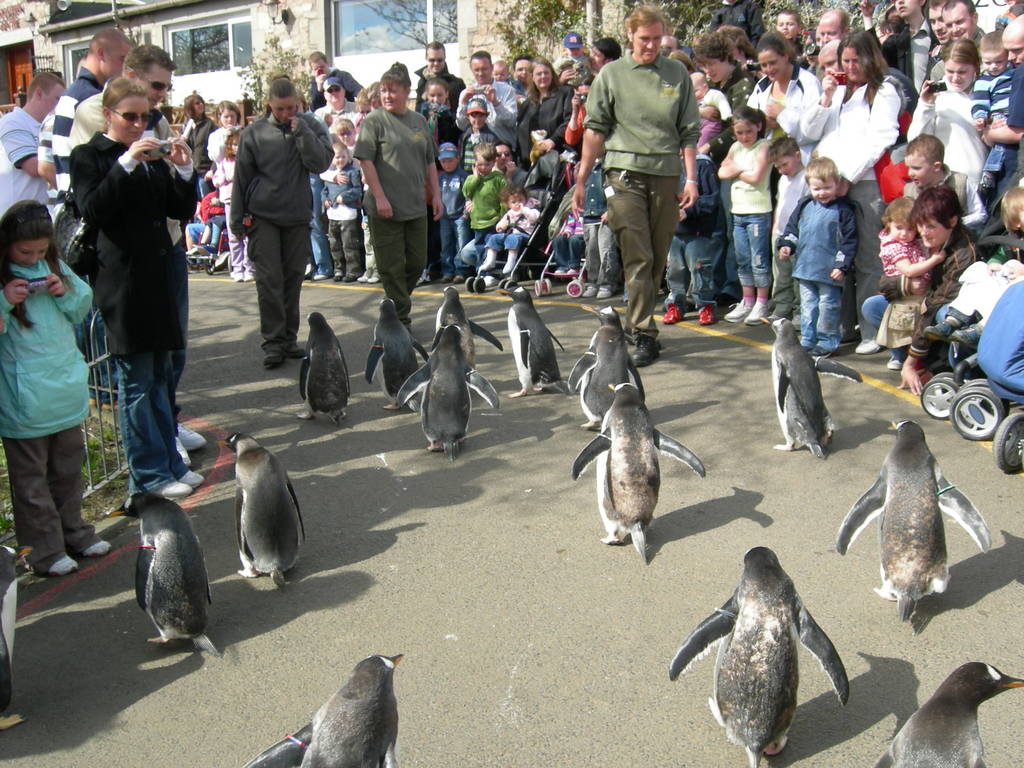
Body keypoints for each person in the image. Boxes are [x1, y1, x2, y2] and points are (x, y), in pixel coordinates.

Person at [69, 78, 199, 498]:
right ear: (108, 114)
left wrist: (182, 170)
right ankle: (148, 475)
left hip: (157, 276)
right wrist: (125, 163)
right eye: (130, 116)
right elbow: (94, 208)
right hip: (121, 282)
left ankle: (170, 463)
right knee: (138, 382)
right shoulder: (90, 156)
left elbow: (178, 210)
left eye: (145, 117)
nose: (139, 124)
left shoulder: (149, 158)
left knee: (162, 375)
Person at [575, 5, 699, 367]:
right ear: (630, 36)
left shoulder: (676, 73)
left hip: (664, 173)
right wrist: (582, 179)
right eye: (644, 39)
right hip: (622, 173)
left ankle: (640, 318)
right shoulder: (611, 75)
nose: (651, 46)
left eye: (657, 39)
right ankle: (644, 331)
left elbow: (689, 131)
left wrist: (690, 178)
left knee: (658, 254)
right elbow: (595, 130)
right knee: (638, 253)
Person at [0, 200, 109, 576]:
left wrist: (62, 290)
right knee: (31, 484)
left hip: (64, 389)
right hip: (23, 400)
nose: (33, 259)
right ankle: (44, 552)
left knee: (67, 470)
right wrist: (4, 301)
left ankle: (76, 532)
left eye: (41, 251)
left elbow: (83, 306)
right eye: (23, 252)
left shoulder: (55, 267)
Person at [800, 31, 901, 353]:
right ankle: (840, 327)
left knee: (869, 257)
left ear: (871, 57)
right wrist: (825, 98)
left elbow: (882, 136)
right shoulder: (838, 91)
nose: (851, 66)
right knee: (833, 257)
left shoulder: (883, 90)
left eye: (857, 60)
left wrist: (848, 175)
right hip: (832, 183)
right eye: (846, 61)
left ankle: (872, 329)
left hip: (865, 181)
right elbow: (809, 131)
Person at [231, 76, 333, 368]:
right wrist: (237, 221)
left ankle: (289, 340)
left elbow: (321, 163)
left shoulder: (310, 125)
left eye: (291, 108)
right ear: (269, 106)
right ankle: (273, 343)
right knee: (269, 281)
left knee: (292, 280)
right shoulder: (254, 133)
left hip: (297, 215)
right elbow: (242, 177)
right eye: (280, 109)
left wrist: (302, 133)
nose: (287, 114)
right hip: (263, 217)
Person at [355, 63, 442, 326]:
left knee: (417, 263)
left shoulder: (418, 122)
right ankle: (400, 320)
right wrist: (379, 197)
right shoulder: (374, 122)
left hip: (415, 206)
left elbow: (430, 162)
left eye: (393, 90)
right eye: (383, 91)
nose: (387, 96)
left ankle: (393, 306)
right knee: (391, 268)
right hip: (385, 208)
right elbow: (366, 161)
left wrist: (436, 196)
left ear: (407, 92)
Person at [871, 186, 977, 393]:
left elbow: (937, 304)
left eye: (930, 226)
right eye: (919, 225)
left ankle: (937, 367)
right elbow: (884, 283)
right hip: (921, 301)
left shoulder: (963, 254)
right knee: (873, 306)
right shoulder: (918, 240)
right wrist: (907, 284)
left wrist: (912, 363)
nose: (922, 231)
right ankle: (909, 359)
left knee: (941, 314)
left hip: (944, 310)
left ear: (952, 222)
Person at [776, 157, 858, 355]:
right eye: (816, 188)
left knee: (828, 307)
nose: (821, 193)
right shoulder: (804, 205)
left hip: (829, 271)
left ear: (836, 185)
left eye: (827, 188)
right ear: (809, 186)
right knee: (808, 307)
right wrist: (787, 245)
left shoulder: (844, 211)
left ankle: (827, 341)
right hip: (805, 268)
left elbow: (849, 241)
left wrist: (842, 266)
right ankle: (808, 339)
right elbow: (792, 229)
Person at [52, 28, 130, 204]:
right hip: (82, 200)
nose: (124, 68)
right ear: (101, 53)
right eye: (122, 59)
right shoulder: (90, 99)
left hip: (70, 194)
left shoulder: (74, 92)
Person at [720, 106, 773, 325]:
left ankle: (762, 300)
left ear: (759, 127)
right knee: (742, 259)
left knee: (758, 259)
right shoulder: (735, 147)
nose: (744, 137)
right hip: (738, 210)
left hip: (758, 211)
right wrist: (743, 169)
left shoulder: (764, 146)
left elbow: (757, 176)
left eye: (748, 131)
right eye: (739, 133)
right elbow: (722, 172)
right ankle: (747, 299)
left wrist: (736, 169)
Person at [909, 40, 986, 181]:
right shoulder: (938, 95)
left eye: (962, 72)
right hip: (947, 180)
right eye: (950, 71)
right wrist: (926, 105)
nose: (955, 78)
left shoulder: (986, 91)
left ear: (975, 67)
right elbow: (916, 141)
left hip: (980, 179)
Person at [873, 196, 934, 368]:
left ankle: (911, 357)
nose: (904, 234)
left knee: (911, 326)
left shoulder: (911, 243)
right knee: (899, 328)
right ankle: (899, 356)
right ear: (888, 223)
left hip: (916, 294)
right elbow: (909, 270)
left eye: (910, 229)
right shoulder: (893, 246)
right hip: (902, 295)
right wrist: (935, 259)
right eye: (899, 228)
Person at [663, 148, 721, 326]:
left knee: (701, 270)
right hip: (674, 231)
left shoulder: (703, 166)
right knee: (675, 271)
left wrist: (688, 211)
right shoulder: (668, 166)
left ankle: (705, 305)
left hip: (697, 231)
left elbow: (711, 200)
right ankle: (675, 305)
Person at [746, 33, 823, 160]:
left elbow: (814, 131)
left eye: (773, 63)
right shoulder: (761, 86)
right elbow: (748, 123)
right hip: (769, 162)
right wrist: (764, 124)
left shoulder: (808, 82)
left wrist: (782, 115)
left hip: (800, 161)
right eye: (764, 65)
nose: (769, 69)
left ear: (785, 56)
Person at [0, 72, 65, 217]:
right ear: (39, 93)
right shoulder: (13, 122)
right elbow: (33, 167)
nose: (60, 105)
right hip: (12, 217)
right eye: (57, 99)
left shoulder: (46, 127)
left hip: (34, 214)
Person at [902, 133, 986, 230]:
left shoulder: (960, 182)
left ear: (936, 166)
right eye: (908, 167)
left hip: (958, 241)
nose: (910, 173)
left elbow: (980, 214)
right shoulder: (909, 191)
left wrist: (951, 224)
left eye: (916, 168)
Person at [971, 32, 1015, 195]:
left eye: (999, 61)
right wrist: (980, 117)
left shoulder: (1014, 73)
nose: (994, 66)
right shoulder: (983, 81)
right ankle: (990, 171)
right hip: (998, 115)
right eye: (988, 62)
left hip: (1014, 112)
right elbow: (980, 102)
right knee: (1000, 147)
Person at [769, 136, 808, 321]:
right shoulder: (783, 180)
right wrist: (776, 228)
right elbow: (781, 203)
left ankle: (799, 311)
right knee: (782, 274)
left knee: (798, 276)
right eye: (778, 167)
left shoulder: (806, 179)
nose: (782, 170)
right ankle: (781, 307)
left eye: (785, 164)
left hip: (799, 234)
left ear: (797, 156)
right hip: (781, 232)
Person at [458, 143, 506, 285]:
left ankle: (491, 273)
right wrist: (475, 178)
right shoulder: (472, 179)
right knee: (479, 249)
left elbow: (504, 200)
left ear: (493, 162)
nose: (483, 168)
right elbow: (466, 192)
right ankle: (481, 273)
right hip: (478, 222)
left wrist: (503, 218)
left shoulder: (498, 179)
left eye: (487, 164)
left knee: (490, 249)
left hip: (493, 221)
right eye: (480, 164)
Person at [516, 57, 573, 167]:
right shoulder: (527, 104)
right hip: (530, 165)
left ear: (552, 74)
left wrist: (553, 140)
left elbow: (569, 121)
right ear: (532, 77)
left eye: (546, 73)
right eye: (539, 74)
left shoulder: (564, 94)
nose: (543, 77)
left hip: (557, 159)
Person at [211, 131, 252, 282]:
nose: (236, 148)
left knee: (248, 236)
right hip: (230, 201)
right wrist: (226, 178)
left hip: (247, 203)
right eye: (234, 144)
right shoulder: (225, 162)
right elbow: (216, 180)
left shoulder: (247, 161)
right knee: (234, 236)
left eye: (239, 145)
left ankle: (249, 268)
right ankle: (237, 268)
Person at [321, 137, 363, 282]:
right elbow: (325, 190)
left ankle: (353, 270)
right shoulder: (331, 174)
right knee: (335, 244)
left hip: (347, 214)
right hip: (333, 214)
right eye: (337, 157)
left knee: (349, 244)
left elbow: (358, 190)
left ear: (348, 156)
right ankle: (339, 269)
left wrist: (344, 197)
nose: (340, 160)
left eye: (343, 157)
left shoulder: (352, 172)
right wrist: (325, 200)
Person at [455, 51, 518, 147]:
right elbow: (461, 125)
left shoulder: (507, 90)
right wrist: (464, 104)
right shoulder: (466, 93)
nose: (480, 73)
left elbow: (511, 122)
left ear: (492, 68)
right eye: (476, 70)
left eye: (484, 69)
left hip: (502, 150)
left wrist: (495, 103)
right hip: (477, 152)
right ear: (471, 70)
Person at [878, 0, 937, 93]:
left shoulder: (937, 33)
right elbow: (876, 61)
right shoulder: (897, 43)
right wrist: (867, 17)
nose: (900, 2)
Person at [485, 186, 539, 275]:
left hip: (525, 235)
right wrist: (500, 227)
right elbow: (502, 222)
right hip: (511, 234)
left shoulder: (531, 209)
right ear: (508, 205)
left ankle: (511, 262)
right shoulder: (510, 213)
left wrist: (524, 210)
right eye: (514, 202)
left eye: (520, 200)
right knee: (494, 237)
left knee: (513, 238)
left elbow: (535, 218)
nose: (518, 203)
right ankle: (490, 260)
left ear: (526, 198)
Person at [436, 142, 469, 282]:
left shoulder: (463, 175)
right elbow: (437, 196)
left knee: (461, 243)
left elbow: (468, 195)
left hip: (460, 216)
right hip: (445, 216)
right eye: (444, 161)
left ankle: (461, 270)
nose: (447, 164)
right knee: (446, 245)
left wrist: (466, 213)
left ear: (457, 158)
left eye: (450, 160)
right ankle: (447, 271)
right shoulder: (440, 177)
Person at [415, 41, 465, 110]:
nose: (436, 63)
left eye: (439, 60)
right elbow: (418, 111)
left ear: (445, 58)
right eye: (432, 60)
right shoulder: (422, 82)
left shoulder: (457, 84)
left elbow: (463, 112)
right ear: (426, 58)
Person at [181, 93, 213, 195]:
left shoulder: (209, 124)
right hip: (191, 170)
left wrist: (212, 169)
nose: (201, 105)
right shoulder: (186, 125)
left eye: (201, 102)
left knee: (205, 202)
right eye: (197, 103)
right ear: (190, 107)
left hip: (205, 170)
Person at [458, 96, 499, 172]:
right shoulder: (464, 136)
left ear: (487, 116)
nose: (477, 119)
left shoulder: (491, 137)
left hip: (483, 173)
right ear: (468, 117)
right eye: (473, 116)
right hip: (465, 172)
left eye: (481, 116)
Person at [691, 72, 731, 148]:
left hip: (711, 123)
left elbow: (721, 102)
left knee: (706, 134)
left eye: (695, 91)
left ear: (705, 87)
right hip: (697, 125)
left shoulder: (711, 95)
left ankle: (699, 150)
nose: (693, 95)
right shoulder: (692, 100)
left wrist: (726, 116)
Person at [206, 100, 241, 170]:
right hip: (223, 173)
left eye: (232, 116)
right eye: (226, 117)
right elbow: (217, 157)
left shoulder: (243, 133)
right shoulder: (215, 136)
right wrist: (225, 137)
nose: (230, 119)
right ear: (219, 118)